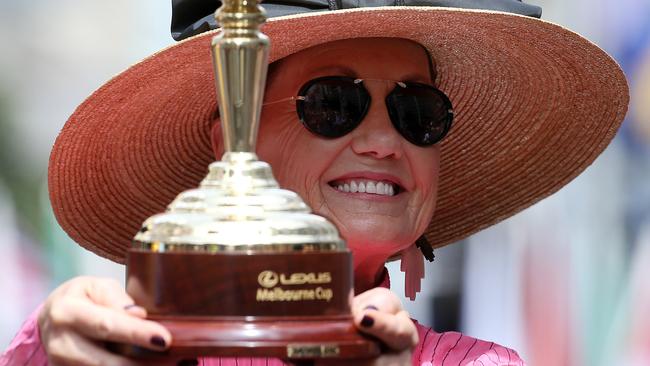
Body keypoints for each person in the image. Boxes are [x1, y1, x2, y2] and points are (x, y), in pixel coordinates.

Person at [1, 1, 628, 365]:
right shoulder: (103, 345)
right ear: (231, 139)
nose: (385, 141)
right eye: (333, 103)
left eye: (418, 113)